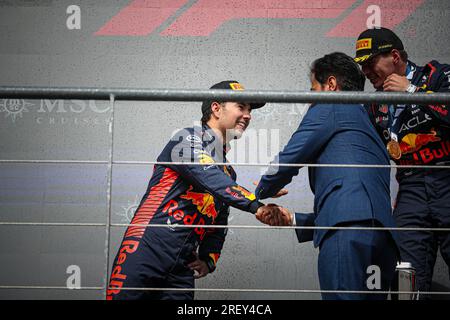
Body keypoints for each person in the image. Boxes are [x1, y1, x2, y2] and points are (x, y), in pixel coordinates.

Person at [106, 80, 288, 300]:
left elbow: (218, 223)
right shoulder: (187, 138)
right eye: (241, 106)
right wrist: (256, 206)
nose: (248, 115)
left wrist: (208, 259)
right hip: (144, 250)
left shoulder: (229, 172)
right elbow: (208, 175)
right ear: (216, 108)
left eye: (250, 110)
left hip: (183, 265)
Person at [255, 52, 399, 300]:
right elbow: (356, 202)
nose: (311, 98)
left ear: (331, 85)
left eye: (313, 90)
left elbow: (290, 157)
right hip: (383, 240)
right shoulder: (366, 122)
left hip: (347, 235)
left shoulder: (331, 104)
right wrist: (293, 219)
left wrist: (260, 191)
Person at [354, 27, 450, 298]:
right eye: (362, 66)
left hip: (447, 177)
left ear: (394, 56)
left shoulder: (437, 75)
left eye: (371, 62)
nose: (367, 72)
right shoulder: (374, 102)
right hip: (410, 188)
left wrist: (411, 91)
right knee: (406, 275)